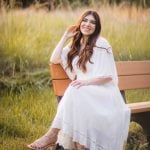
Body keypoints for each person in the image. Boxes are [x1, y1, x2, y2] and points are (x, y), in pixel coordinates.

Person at [27, 10, 130, 150]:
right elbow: (54, 59)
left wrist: (86, 82)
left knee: (75, 89)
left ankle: (52, 134)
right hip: (81, 92)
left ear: (97, 27)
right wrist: (65, 36)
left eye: (92, 22)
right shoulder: (74, 46)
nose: (88, 24)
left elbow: (108, 76)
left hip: (102, 92)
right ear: (80, 23)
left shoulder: (102, 43)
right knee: (76, 91)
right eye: (85, 20)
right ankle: (79, 145)